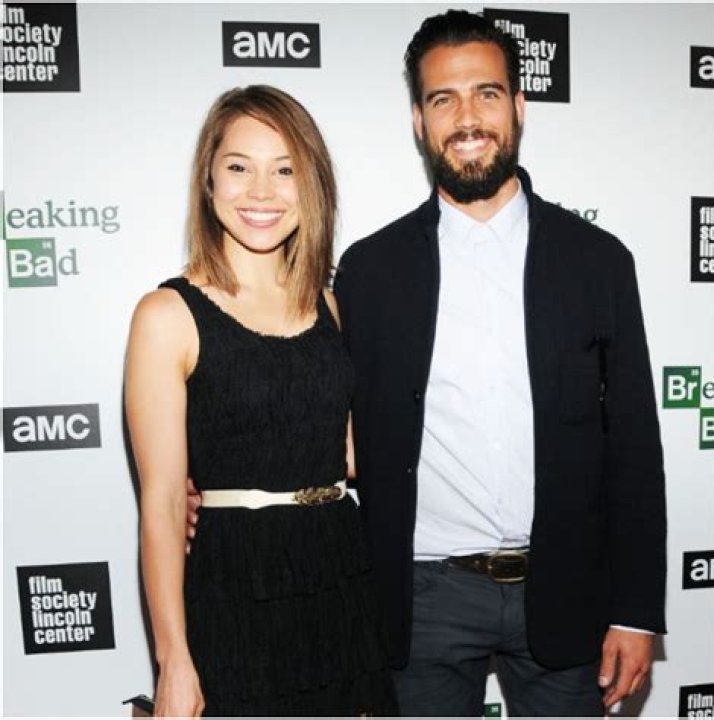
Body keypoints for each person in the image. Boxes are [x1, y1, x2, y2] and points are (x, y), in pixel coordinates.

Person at [331, 10, 667, 718]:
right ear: (418, 121)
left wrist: (636, 611)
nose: (466, 119)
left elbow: (634, 445)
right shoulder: (369, 271)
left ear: (518, 105)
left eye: (485, 94)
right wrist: (210, 483)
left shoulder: (598, 262)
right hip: (422, 599)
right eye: (442, 99)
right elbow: (314, 407)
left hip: (568, 586)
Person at [125, 85, 397, 717]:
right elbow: (162, 503)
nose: (261, 192)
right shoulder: (167, 316)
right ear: (209, 179)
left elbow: (350, 455)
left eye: (285, 170)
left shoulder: (330, 306)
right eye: (239, 167)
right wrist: (173, 660)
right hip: (233, 587)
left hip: (338, 575)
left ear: (312, 184)